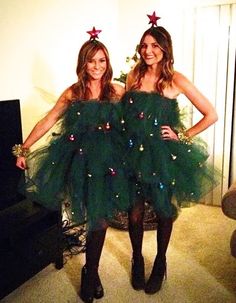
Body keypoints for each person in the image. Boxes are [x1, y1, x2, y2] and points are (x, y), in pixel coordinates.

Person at [13, 28, 129, 303]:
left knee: (99, 219)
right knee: (89, 215)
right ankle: (91, 269)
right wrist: (24, 147)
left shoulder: (116, 90)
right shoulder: (73, 92)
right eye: (92, 61)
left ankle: (91, 271)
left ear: (107, 63)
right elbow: (48, 120)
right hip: (78, 158)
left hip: (108, 160)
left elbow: (137, 117)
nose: (97, 66)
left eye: (102, 60)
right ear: (83, 63)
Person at [122, 12, 219, 295]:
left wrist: (183, 135)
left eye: (154, 46)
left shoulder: (175, 80)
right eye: (144, 45)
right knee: (135, 213)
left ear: (165, 49)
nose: (148, 51)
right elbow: (129, 113)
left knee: (164, 210)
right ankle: (137, 258)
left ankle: (160, 262)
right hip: (133, 152)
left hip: (162, 155)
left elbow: (211, 114)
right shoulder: (133, 75)